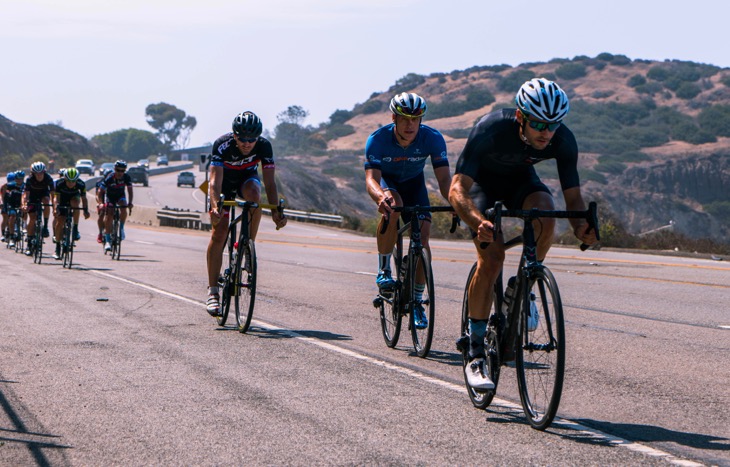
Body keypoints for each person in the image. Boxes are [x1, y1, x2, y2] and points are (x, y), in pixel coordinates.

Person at [448, 78, 598, 390]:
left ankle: (525, 283)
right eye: (539, 124)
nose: (547, 132)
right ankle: (475, 351)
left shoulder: (562, 140)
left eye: (553, 125)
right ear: (520, 117)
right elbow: (456, 190)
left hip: (521, 182)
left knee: (545, 211)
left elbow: (573, 200)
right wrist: (477, 222)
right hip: (482, 188)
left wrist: (582, 227)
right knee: (492, 259)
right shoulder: (489, 129)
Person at [364, 92, 452, 329]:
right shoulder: (378, 139)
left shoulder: (432, 138)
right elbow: (371, 179)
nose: (410, 124)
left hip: (415, 185)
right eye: (404, 118)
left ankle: (415, 300)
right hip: (389, 184)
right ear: (394, 117)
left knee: (423, 240)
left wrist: (456, 202)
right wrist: (380, 196)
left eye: (416, 118)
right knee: (394, 206)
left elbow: (445, 180)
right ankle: (384, 270)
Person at [205, 111, 287, 316]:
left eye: (252, 139)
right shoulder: (221, 145)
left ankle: (247, 247)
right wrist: (215, 207)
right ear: (234, 135)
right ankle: (213, 292)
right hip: (224, 184)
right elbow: (214, 182)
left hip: (246, 181)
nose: (247, 143)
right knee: (220, 232)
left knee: (254, 195)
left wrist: (276, 210)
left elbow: (269, 182)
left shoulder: (264, 146)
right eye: (242, 138)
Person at [51, 168, 90, 259]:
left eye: (73, 181)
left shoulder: (81, 184)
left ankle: (75, 228)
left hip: (73, 197)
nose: (71, 184)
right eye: (69, 181)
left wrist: (85, 211)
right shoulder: (59, 183)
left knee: (75, 204)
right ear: (65, 179)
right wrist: (56, 208)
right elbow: (55, 198)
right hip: (62, 200)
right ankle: (57, 248)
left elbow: (84, 199)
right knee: (60, 222)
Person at [98, 160, 134, 252]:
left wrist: (130, 203)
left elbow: (130, 191)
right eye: (118, 170)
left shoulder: (126, 177)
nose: (120, 173)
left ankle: (121, 228)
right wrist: (101, 203)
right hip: (110, 197)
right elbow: (100, 191)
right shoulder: (110, 177)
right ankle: (107, 240)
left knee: (123, 207)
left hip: (120, 196)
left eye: (122, 171)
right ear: (114, 169)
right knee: (109, 215)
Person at [22, 162, 55, 255]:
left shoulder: (48, 178)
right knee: (32, 219)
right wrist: (25, 204)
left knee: (46, 201)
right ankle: (29, 244)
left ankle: (45, 226)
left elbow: (53, 194)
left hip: (43, 194)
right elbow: (26, 195)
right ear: (33, 173)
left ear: (44, 172)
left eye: (41, 173)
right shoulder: (29, 179)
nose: (39, 175)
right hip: (32, 196)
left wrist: (55, 206)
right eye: (37, 173)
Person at [1, 173, 23, 247]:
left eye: (21, 179)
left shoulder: (25, 185)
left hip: (21, 204)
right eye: (17, 179)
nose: (19, 180)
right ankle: (11, 236)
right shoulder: (10, 185)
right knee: (11, 217)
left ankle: (24, 227)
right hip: (11, 204)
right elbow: (2, 189)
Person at [95, 168, 112, 243]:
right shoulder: (100, 183)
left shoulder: (115, 181)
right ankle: (100, 233)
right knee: (101, 214)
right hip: (102, 198)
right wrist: (100, 203)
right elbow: (97, 195)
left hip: (111, 198)